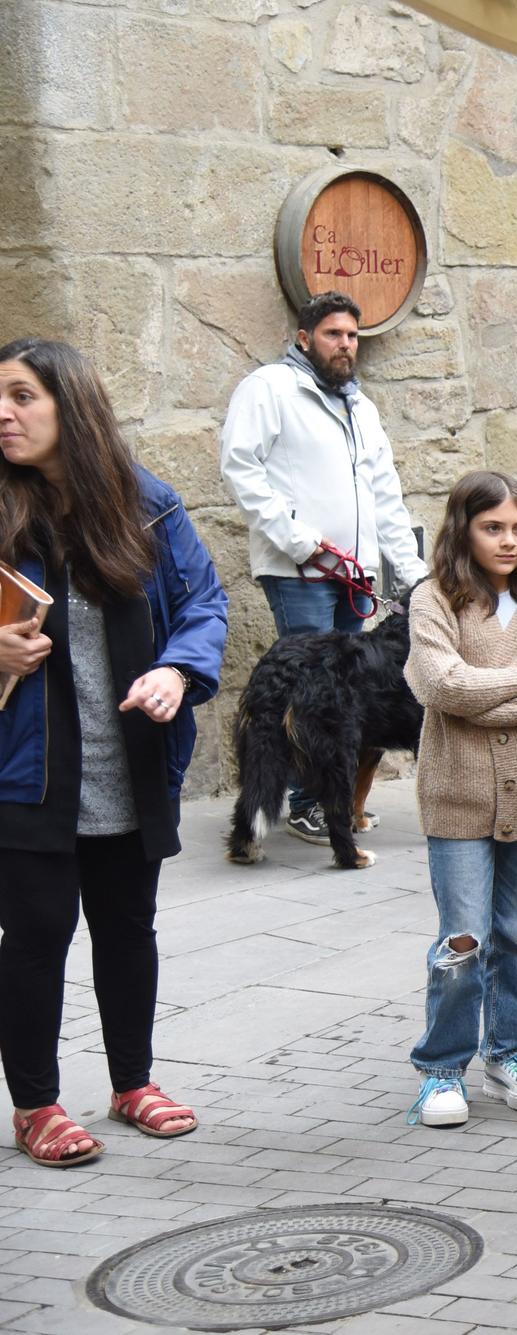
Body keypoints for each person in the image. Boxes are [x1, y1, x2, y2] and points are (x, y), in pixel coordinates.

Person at [0, 338, 228, 1166]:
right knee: (36, 939)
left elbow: (205, 601)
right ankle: (36, 1104)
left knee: (129, 930)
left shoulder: (145, 503)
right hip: (28, 776)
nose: (5, 413)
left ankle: (133, 1082)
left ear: (72, 405)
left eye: (23, 396)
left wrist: (177, 667)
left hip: (132, 768)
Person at [401, 471, 517, 1127]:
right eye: (492, 527)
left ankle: (509, 1052)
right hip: (456, 795)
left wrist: (487, 690)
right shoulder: (434, 599)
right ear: (464, 529)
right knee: (464, 938)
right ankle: (441, 1068)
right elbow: (441, 683)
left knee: (516, 933)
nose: (508, 540)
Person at [218, 290, 422, 845]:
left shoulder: (361, 405)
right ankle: (312, 805)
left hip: (354, 577)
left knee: (348, 697)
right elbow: (240, 468)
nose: (346, 345)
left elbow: (386, 497)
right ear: (305, 338)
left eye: (353, 336)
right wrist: (300, 541)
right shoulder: (269, 388)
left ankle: (325, 802)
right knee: (314, 696)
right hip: (300, 570)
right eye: (334, 334)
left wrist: (414, 574)